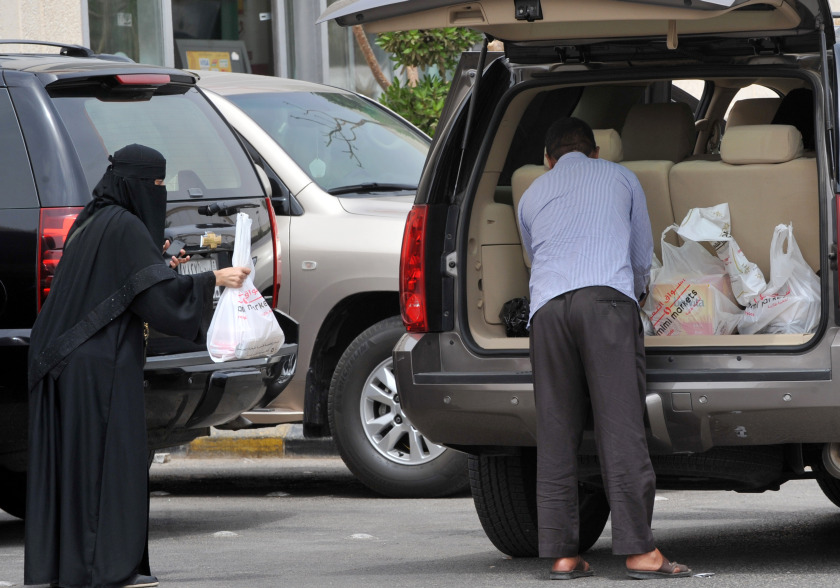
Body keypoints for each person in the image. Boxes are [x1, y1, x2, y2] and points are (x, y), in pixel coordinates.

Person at [25, 144, 251, 588]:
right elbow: (159, 303)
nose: (160, 194)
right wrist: (213, 280)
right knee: (107, 464)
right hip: (95, 364)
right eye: (157, 185)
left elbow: (125, 284)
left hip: (65, 358)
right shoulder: (125, 226)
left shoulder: (95, 218)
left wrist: (162, 267)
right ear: (137, 184)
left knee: (76, 466)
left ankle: (72, 568)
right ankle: (104, 569)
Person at [517, 117, 691, 580]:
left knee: (555, 433)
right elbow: (639, 258)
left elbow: (534, 258)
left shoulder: (532, 193)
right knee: (620, 427)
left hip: (548, 312)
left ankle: (562, 555)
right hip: (606, 304)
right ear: (595, 152)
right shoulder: (622, 177)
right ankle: (639, 552)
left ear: (549, 159)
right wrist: (633, 299)